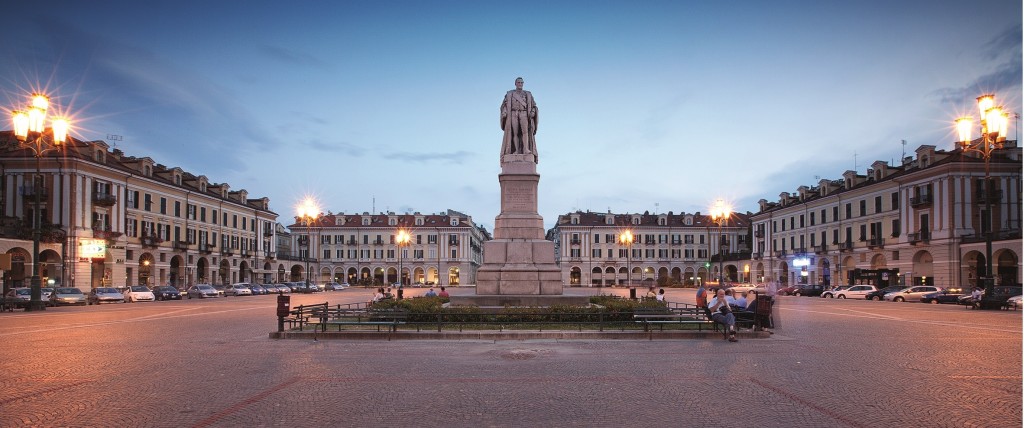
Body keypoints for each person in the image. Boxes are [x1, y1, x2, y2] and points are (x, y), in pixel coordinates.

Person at [500, 77, 539, 162]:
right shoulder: (510, 94)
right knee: (515, 133)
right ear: (515, 84)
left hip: (524, 113)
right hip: (513, 114)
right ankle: (516, 150)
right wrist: (504, 112)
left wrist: (532, 112)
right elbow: (504, 105)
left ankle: (526, 149)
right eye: (518, 82)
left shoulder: (528, 94)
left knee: (525, 132)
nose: (520, 84)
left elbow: (534, 106)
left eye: (521, 82)